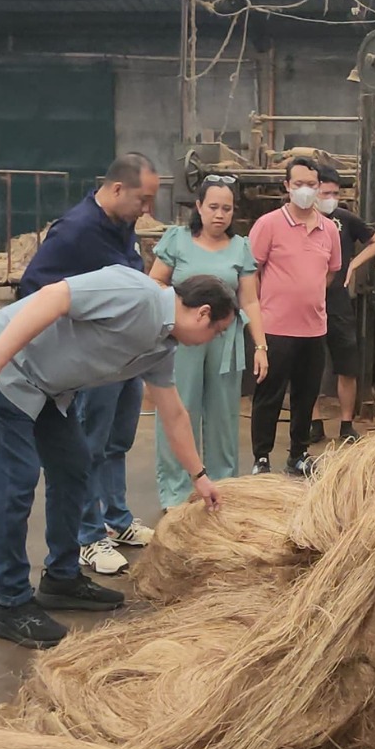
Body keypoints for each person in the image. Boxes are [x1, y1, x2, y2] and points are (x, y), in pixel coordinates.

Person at [0, 267, 237, 649]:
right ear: (202, 313)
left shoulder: (160, 346)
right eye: (216, 332)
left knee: (73, 469)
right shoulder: (138, 293)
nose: (209, 340)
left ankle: (62, 578)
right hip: (0, 368)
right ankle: (10, 603)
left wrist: (200, 477)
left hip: (46, 388)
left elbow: (173, 413)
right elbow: (55, 295)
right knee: (15, 485)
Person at [17, 152, 161, 578]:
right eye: (143, 199)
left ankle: (116, 518)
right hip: (94, 358)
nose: (147, 209)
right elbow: (34, 290)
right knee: (88, 447)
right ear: (117, 189)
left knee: (117, 441)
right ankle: (88, 535)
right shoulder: (76, 231)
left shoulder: (122, 225)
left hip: (124, 356)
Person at [148, 177, 269, 508]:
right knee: (178, 408)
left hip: (225, 339)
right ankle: (174, 493)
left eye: (227, 208)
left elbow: (251, 302)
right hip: (183, 337)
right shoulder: (177, 240)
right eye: (213, 207)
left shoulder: (240, 247)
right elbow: (155, 281)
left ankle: (222, 486)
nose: (220, 215)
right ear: (198, 206)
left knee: (223, 417)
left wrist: (260, 345)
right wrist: (178, 310)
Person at [248, 157, 341, 475]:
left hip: (314, 329)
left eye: (311, 185)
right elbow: (251, 272)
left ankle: (298, 454)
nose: (305, 190)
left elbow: (329, 273)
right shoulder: (268, 224)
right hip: (276, 327)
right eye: (298, 184)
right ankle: (261, 458)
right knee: (269, 395)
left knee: (306, 396)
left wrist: (307, 296)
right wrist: (266, 308)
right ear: (286, 186)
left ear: (319, 188)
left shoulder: (329, 230)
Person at [313, 162, 375, 444]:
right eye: (324, 192)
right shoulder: (301, 221)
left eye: (335, 193)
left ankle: (346, 424)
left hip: (339, 303)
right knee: (309, 367)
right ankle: (314, 423)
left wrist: (353, 264)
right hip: (308, 304)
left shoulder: (345, 219)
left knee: (347, 365)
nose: (330, 198)